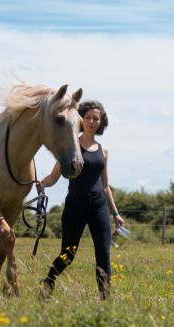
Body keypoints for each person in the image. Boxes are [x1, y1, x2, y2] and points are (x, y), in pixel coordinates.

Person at [40, 100, 125, 300]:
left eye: (96, 118)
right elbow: (54, 176)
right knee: (68, 253)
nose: (92, 121)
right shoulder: (72, 146)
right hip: (75, 205)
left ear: (101, 122)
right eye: (88, 117)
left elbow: (105, 186)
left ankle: (105, 299)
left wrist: (116, 214)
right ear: (81, 120)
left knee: (104, 254)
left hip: (99, 206)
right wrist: (39, 183)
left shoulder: (103, 151)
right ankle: (49, 280)